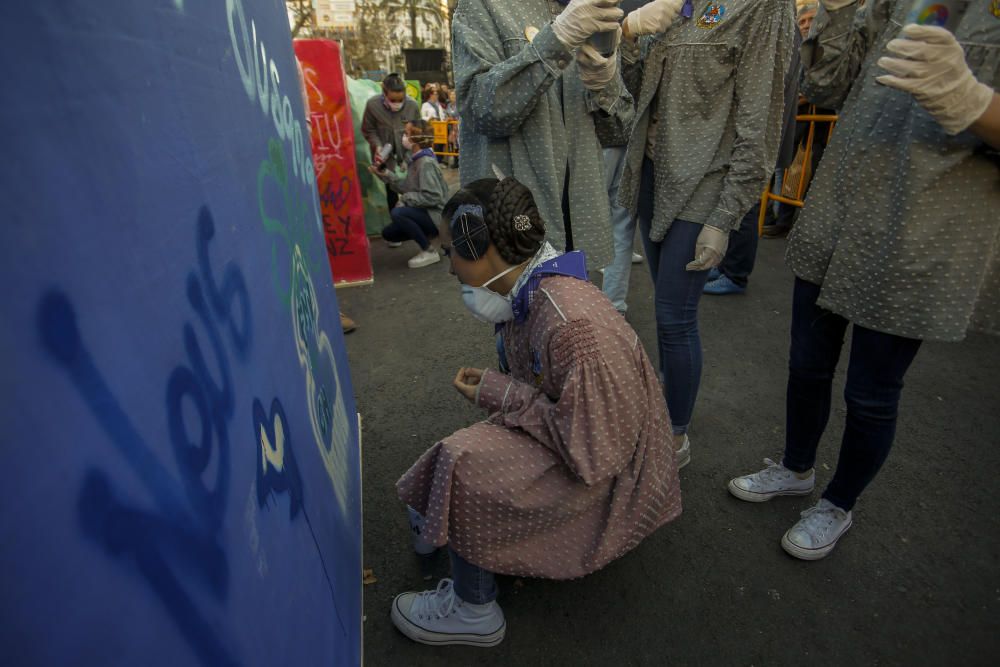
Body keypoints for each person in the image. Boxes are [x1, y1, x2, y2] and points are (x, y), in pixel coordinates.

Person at [728, 3, 999, 560]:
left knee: (871, 393)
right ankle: (797, 467)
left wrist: (975, 102)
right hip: (840, 207)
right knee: (806, 362)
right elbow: (828, 90)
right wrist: (832, 15)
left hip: (924, 223)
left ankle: (837, 503)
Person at [390, 176, 682, 647]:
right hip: (594, 446)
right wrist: (500, 392)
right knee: (471, 449)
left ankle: (473, 609)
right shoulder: (537, 291)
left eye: (451, 253)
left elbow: (594, 455)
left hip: (612, 485)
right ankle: (448, 527)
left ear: (482, 248)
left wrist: (502, 395)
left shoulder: (571, 326)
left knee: (464, 461)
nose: (449, 270)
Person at [617, 0, 795, 459]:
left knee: (675, 317)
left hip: (705, 182)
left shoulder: (763, 7)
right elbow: (639, 94)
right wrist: (630, 36)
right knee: (665, 307)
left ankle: (675, 436)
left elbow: (761, 122)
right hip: (654, 175)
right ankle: (666, 400)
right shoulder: (675, 3)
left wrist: (724, 215)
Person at [452, 0, 636, 270]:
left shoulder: (591, 11)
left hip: (581, 225)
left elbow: (619, 131)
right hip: (516, 229)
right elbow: (481, 111)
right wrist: (556, 40)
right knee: (516, 311)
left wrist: (604, 81)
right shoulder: (483, 5)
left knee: (576, 312)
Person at [703, 24, 804, 296]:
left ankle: (735, 273)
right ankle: (726, 265)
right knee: (737, 202)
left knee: (745, 203)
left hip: (758, 134)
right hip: (754, 129)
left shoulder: (779, 27)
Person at [370, 120, 450, 268]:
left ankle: (429, 250)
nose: (403, 138)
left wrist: (406, 200)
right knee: (389, 233)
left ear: (415, 140)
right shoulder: (416, 160)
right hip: (426, 211)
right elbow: (406, 187)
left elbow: (433, 197)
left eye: (406, 134)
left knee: (399, 213)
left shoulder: (425, 163)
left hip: (436, 215)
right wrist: (384, 173)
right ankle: (429, 236)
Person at [361, 73, 420, 210]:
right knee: (391, 188)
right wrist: (377, 145)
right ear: (384, 92)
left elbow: (417, 131)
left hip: (407, 153)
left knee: (412, 187)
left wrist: (408, 156)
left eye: (401, 100)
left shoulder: (412, 105)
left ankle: (411, 216)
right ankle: (396, 218)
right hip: (385, 156)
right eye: (393, 100)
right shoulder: (372, 105)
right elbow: (368, 129)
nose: (397, 104)